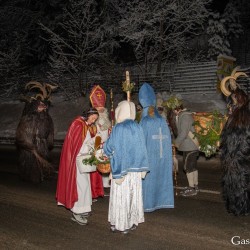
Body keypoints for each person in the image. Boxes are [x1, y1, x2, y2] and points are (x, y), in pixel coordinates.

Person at [104, 100, 149, 234]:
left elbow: (109, 147)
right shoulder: (138, 127)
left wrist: (105, 152)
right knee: (132, 195)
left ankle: (117, 223)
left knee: (120, 197)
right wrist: (142, 167)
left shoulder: (119, 127)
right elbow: (142, 148)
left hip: (121, 170)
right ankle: (130, 222)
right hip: (135, 170)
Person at [56, 108, 99, 225]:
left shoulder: (85, 125)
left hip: (83, 160)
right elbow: (79, 147)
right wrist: (92, 144)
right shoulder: (78, 125)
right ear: (88, 115)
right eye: (93, 118)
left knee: (85, 186)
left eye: (95, 119)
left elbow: (85, 142)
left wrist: (94, 143)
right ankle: (77, 212)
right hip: (76, 162)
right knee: (80, 187)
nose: (93, 121)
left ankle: (84, 208)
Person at [138, 83, 174, 212]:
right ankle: (163, 201)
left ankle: (148, 203)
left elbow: (140, 141)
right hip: (163, 157)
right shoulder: (162, 121)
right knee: (161, 176)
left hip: (150, 157)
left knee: (150, 179)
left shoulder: (145, 121)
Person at [220, 87, 250, 216]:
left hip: (241, 158)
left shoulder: (243, 116)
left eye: (233, 101)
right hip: (233, 158)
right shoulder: (236, 116)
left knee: (241, 184)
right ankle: (237, 206)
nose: (230, 106)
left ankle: (241, 207)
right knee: (234, 183)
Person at [171, 100, 199, 197]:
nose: (173, 112)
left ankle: (192, 188)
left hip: (190, 146)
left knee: (188, 167)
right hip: (191, 146)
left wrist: (176, 143)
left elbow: (183, 133)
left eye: (173, 110)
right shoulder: (186, 115)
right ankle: (195, 186)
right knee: (192, 167)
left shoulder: (184, 116)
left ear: (177, 109)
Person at [89, 85, 110, 199]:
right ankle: (94, 190)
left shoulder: (106, 118)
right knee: (95, 168)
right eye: (99, 108)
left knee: (105, 165)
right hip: (96, 145)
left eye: (102, 108)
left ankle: (105, 186)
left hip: (106, 145)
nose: (101, 109)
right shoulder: (93, 119)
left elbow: (107, 130)